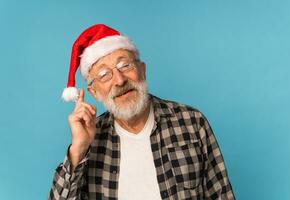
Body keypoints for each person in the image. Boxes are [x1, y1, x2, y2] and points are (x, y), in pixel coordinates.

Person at [49, 24, 235, 200]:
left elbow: (222, 195)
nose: (120, 80)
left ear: (142, 70)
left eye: (124, 66)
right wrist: (78, 150)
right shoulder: (89, 139)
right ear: (94, 92)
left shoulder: (192, 122)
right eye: (105, 75)